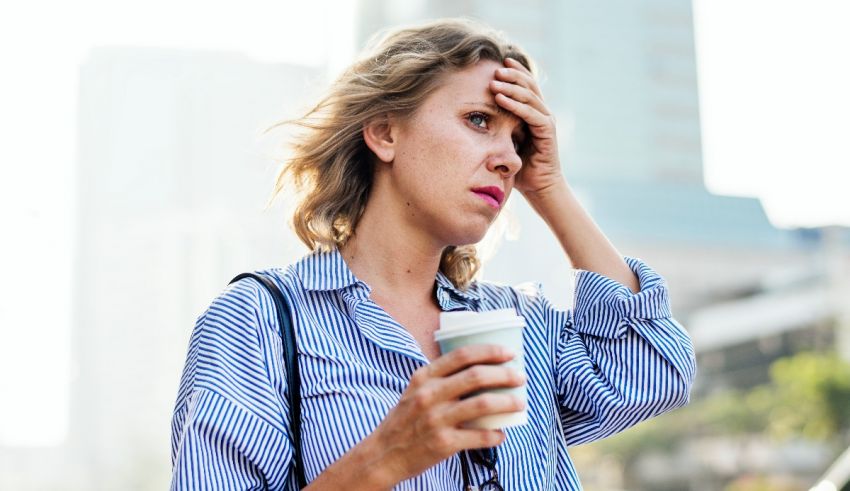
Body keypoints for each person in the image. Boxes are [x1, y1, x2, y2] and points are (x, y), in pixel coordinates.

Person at [170, 18, 696, 490]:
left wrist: (550, 185)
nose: (508, 160)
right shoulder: (257, 324)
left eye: (520, 142)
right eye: (479, 120)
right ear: (384, 132)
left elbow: (654, 369)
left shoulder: (517, 324)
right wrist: (385, 457)